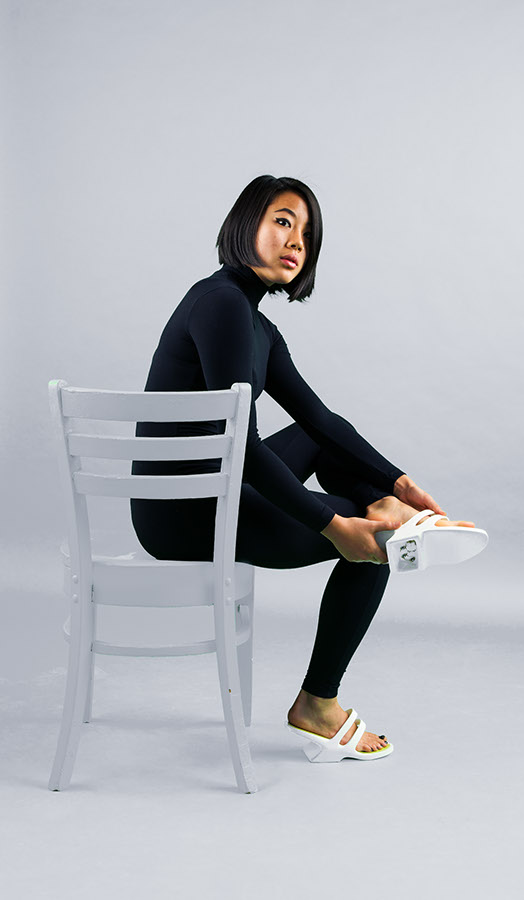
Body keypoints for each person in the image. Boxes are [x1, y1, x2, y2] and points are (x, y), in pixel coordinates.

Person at [130, 174, 476, 759]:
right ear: (246, 224)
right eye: (283, 222)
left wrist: (401, 483)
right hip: (184, 515)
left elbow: (320, 421)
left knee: (326, 450)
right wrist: (333, 526)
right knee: (374, 543)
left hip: (210, 490)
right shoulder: (222, 304)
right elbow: (242, 448)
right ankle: (318, 704)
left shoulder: (255, 323)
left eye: (308, 234)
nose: (297, 242)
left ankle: (387, 507)